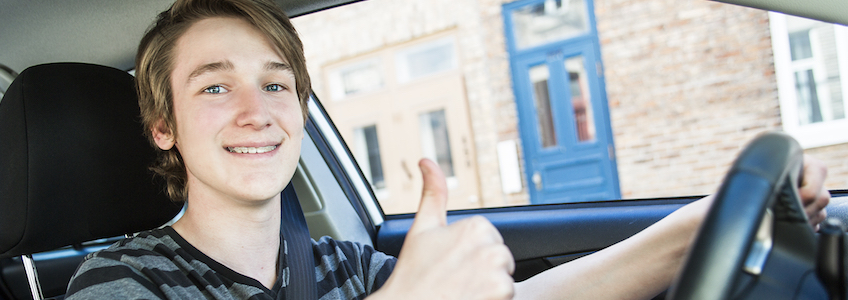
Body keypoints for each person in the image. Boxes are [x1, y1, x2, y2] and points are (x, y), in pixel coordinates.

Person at [65, 0, 831, 299]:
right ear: (163, 127)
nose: (257, 112)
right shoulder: (117, 282)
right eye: (213, 88)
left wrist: (705, 224)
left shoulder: (342, 267)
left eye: (277, 85)